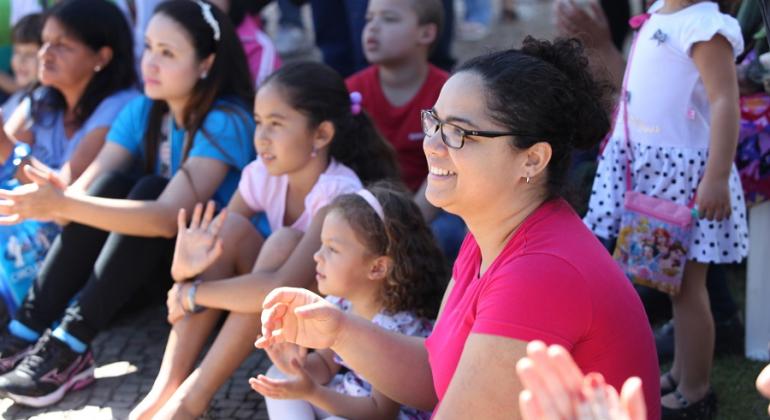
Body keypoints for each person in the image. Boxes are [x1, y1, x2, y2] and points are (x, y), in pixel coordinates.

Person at [255, 37, 661, 419]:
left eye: (459, 132)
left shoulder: (539, 271)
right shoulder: (493, 234)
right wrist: (338, 329)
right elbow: (436, 376)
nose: (432, 143)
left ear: (532, 160)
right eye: (434, 122)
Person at [0, 0, 254, 407]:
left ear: (206, 63)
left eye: (167, 53)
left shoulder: (227, 119)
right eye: (150, 47)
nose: (151, 62)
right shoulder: (142, 110)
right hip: (158, 272)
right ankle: (25, 332)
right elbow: (85, 196)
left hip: (220, 279)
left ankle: (70, 343)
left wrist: (63, 205)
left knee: (151, 189)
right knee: (114, 183)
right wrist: (55, 198)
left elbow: (168, 219)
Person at [131, 61, 399, 420]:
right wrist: (184, 269)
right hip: (281, 305)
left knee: (282, 243)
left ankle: (192, 399)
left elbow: (280, 286)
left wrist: (190, 294)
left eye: (276, 123)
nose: (261, 137)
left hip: (328, 320)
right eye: (258, 122)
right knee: (228, 232)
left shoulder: (338, 193)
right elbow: (218, 244)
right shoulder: (263, 174)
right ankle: (167, 386)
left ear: (320, 135)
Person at [582, 1, 748, 417]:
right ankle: (681, 372)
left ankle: (696, 389)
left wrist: (716, 176)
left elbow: (725, 101)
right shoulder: (661, 12)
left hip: (685, 177)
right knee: (672, 285)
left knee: (690, 289)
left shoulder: (705, 26)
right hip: (651, 171)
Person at [251, 183, 448, 419]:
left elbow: (380, 412)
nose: (317, 255)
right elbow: (325, 365)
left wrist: (312, 392)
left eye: (332, 249)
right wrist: (295, 366)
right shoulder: (341, 303)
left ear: (377, 267)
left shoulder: (397, 330)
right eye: (322, 244)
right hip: (348, 398)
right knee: (278, 377)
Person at [346, 0, 463, 259]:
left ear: (426, 33)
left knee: (450, 233)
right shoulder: (351, 91)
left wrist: (408, 224)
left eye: (389, 19)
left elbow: (452, 169)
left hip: (431, 208)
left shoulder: (450, 92)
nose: (372, 28)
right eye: (369, 18)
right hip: (365, 210)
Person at [1, 13, 44, 124]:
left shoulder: (40, 105)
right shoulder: (20, 96)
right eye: (17, 52)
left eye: (30, 54)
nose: (21, 60)